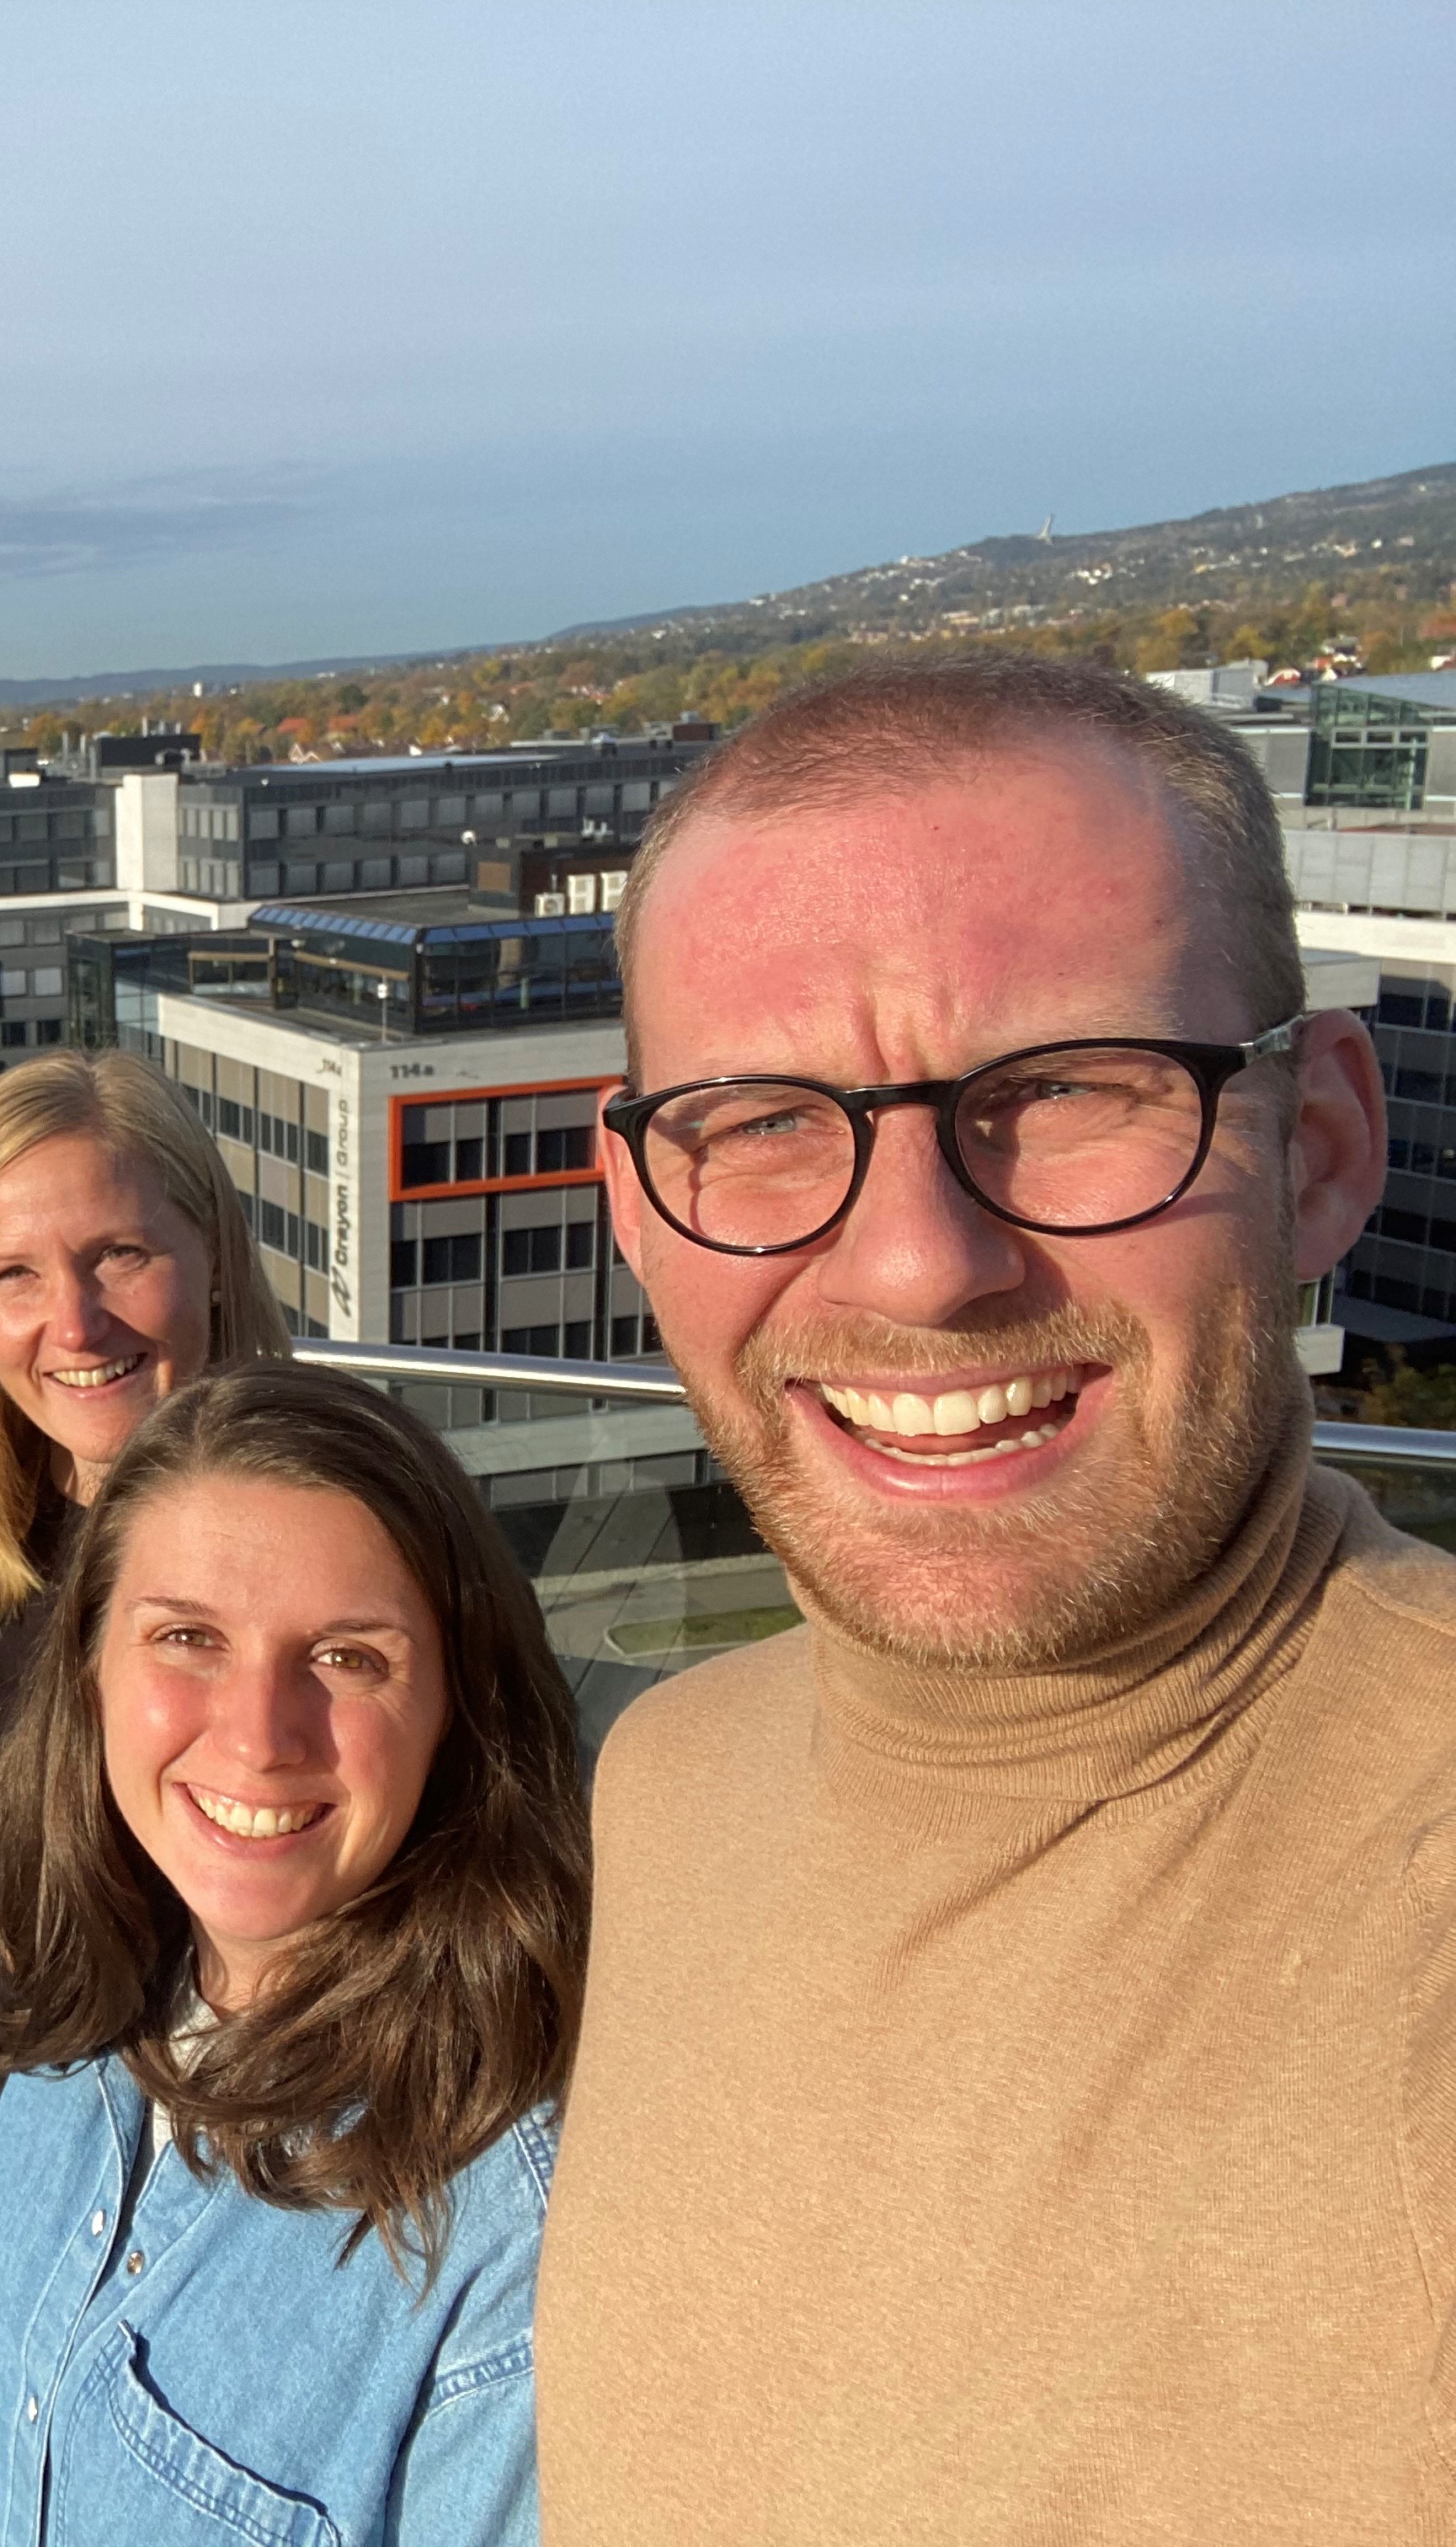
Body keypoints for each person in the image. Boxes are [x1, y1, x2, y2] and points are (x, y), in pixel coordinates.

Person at [534, 652, 1451, 2539]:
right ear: (639, 1211)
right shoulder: (661, 1788)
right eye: (765, 1120)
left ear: (1325, 1148)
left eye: (1065, 1088)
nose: (920, 1259)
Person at [0, 1360, 585, 2544]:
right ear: (89, 1671)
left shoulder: (505, 2244)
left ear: (460, 1708)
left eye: (349, 1658)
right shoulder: (78, 2018)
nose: (258, 1737)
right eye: (187, 1636)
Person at [0, 1049, 294, 2481]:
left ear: (214, 1255)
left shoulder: (339, 1533)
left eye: (121, 1253)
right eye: (15, 1277)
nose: (76, 1322)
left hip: (251, 2218)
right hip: (8, 2206)